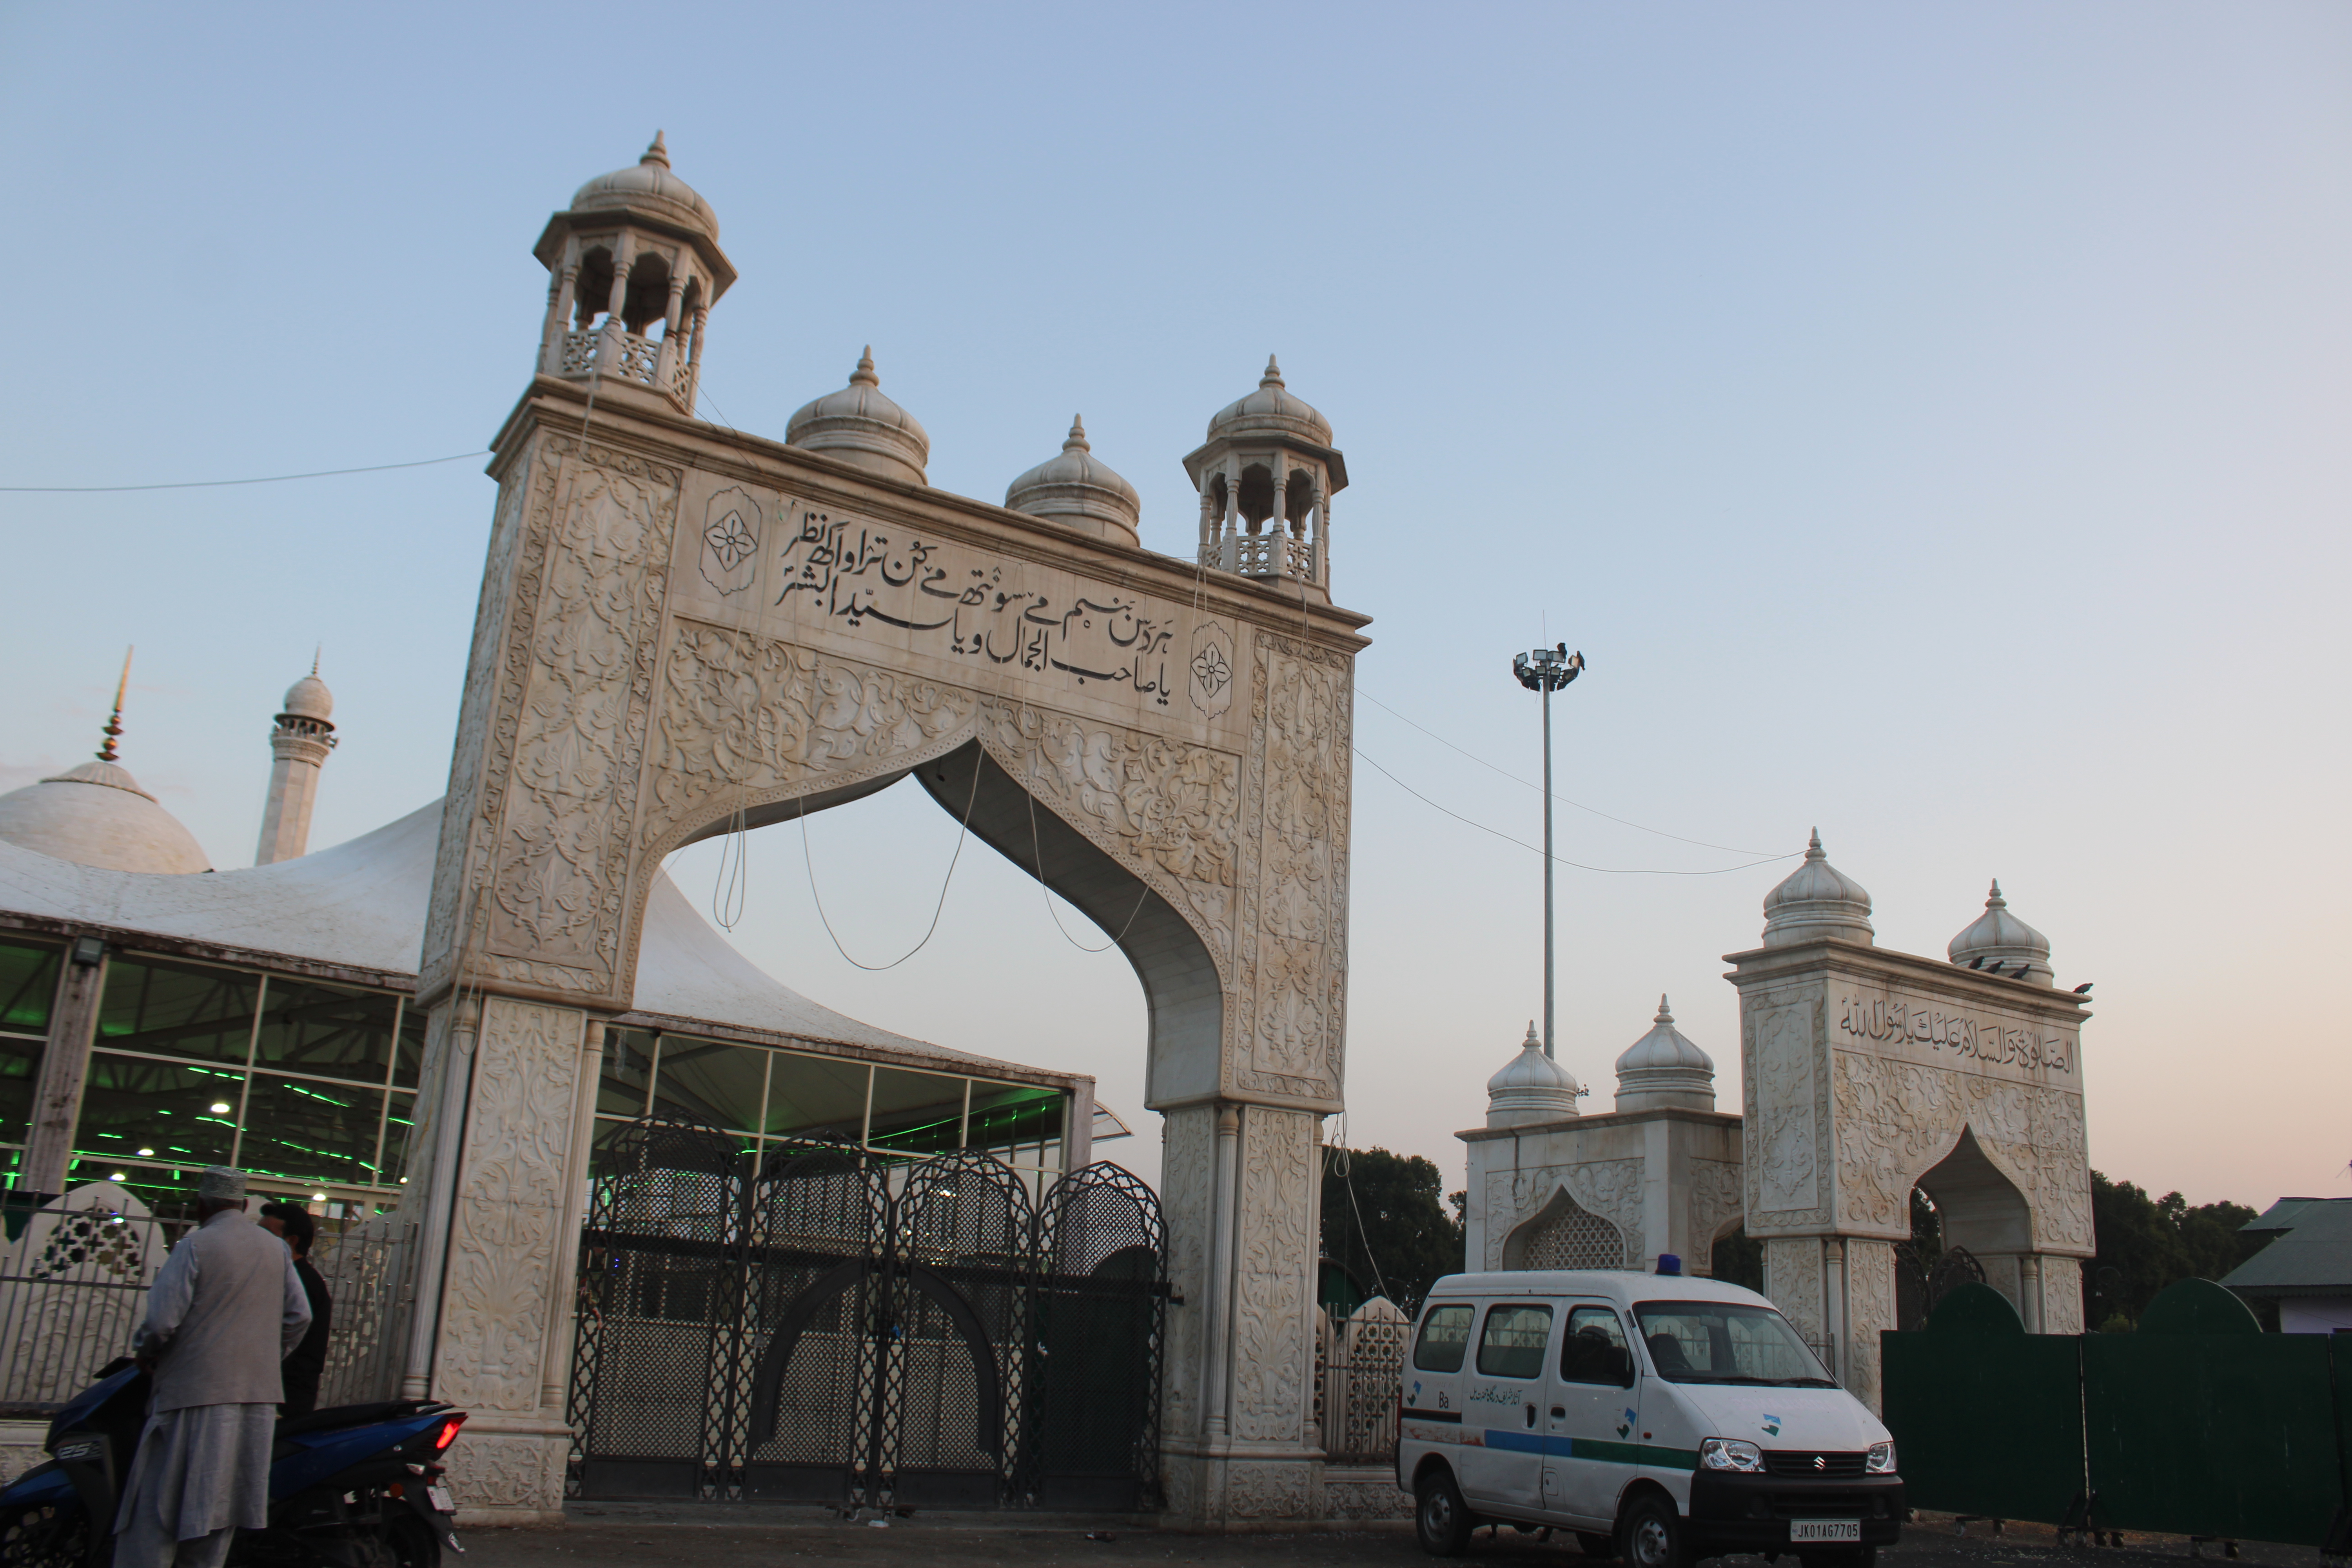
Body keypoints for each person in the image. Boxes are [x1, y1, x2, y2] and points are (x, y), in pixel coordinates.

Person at [115, 1167, 311, 1568]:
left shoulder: (196, 1245)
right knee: (219, 1513)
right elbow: (299, 1316)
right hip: (255, 1401)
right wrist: (266, 1358)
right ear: (242, 1205)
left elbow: (160, 1322)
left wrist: (146, 1352)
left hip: (193, 1396)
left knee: (157, 1510)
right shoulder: (275, 1249)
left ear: (202, 1204)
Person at [257, 1203, 332, 1417]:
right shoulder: (283, 1275)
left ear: (291, 1241)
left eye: (267, 1235)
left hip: (283, 1400)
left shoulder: (301, 1282)